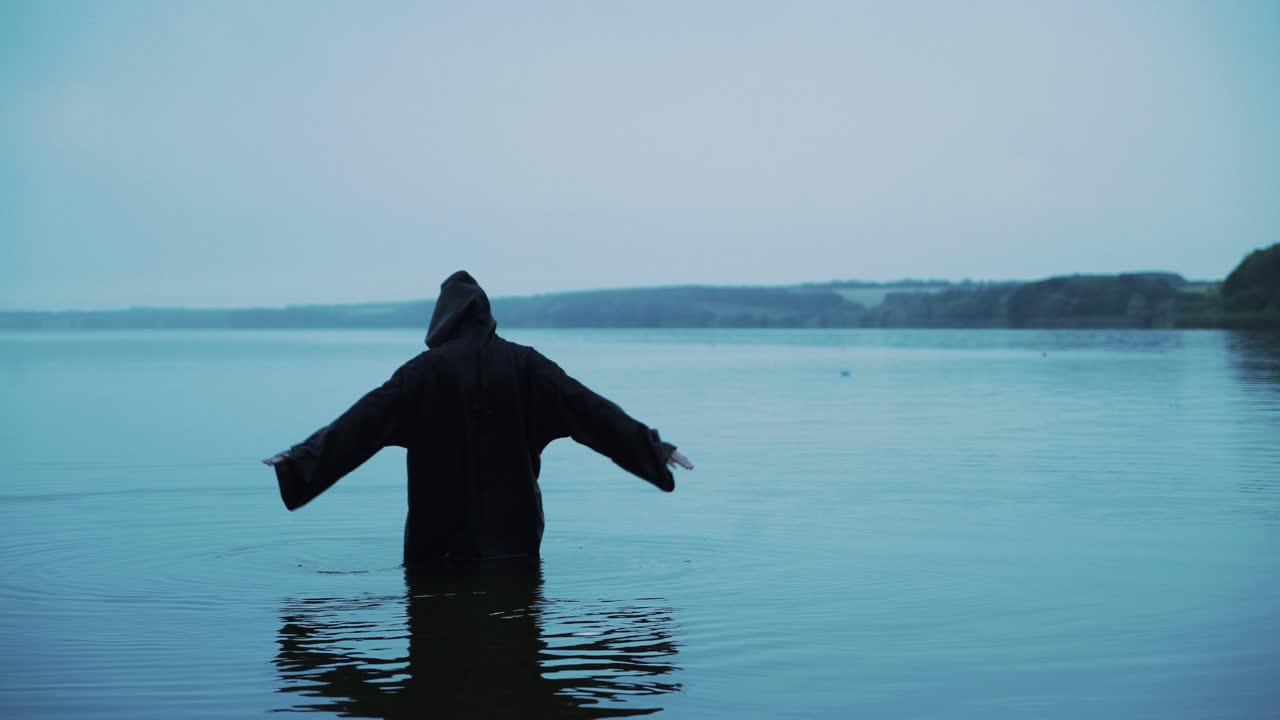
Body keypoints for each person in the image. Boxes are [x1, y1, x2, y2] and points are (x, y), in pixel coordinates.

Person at [263, 271, 693, 573]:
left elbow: (362, 423)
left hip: (437, 541)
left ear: (443, 318)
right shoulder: (527, 366)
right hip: (514, 538)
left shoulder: (423, 373)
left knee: (435, 665)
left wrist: (300, 460)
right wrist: (654, 449)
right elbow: (592, 412)